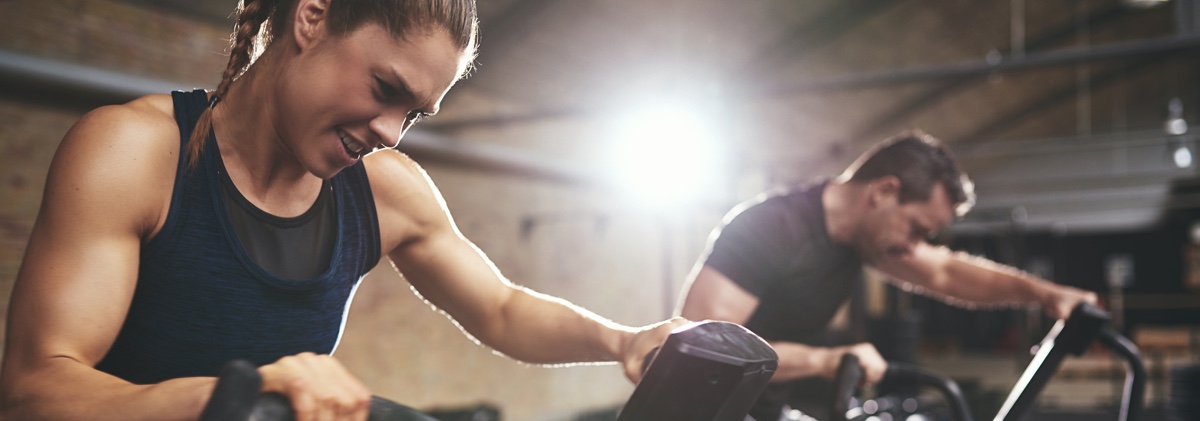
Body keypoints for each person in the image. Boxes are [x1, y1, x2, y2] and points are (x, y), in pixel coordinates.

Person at [0, 0, 686, 420]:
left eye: (414, 113)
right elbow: (35, 391)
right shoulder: (135, 153)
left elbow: (502, 309)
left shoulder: (385, 191)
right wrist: (234, 396)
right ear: (313, 15)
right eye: (385, 88)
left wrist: (623, 341)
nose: (391, 132)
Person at [675, 131, 1098, 421]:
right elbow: (698, 352)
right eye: (917, 229)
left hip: (765, 409)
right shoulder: (771, 230)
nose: (915, 247)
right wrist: (824, 360)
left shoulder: (863, 238)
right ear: (883, 193)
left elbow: (947, 272)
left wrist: (1046, 294)